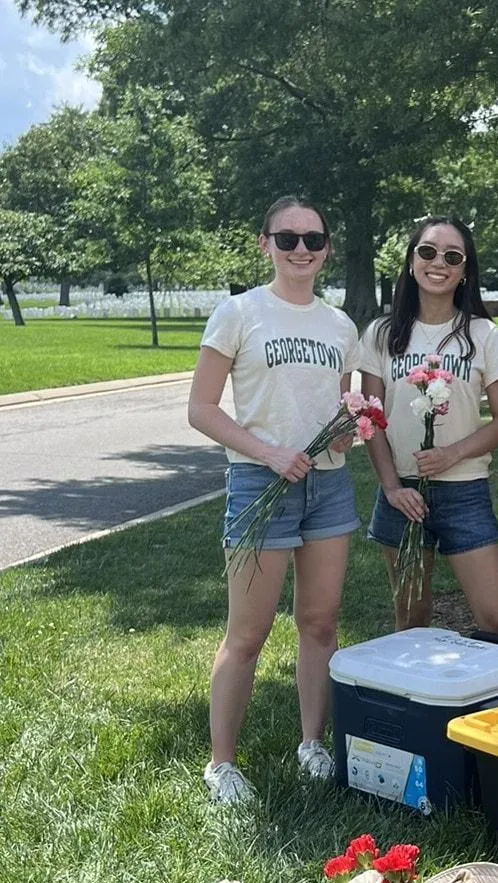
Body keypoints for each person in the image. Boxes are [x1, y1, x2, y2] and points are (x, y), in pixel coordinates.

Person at [188, 195, 361, 804]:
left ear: (327, 248)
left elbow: (341, 409)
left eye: (313, 239)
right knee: (248, 633)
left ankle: (312, 742)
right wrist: (268, 453)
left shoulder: (340, 326)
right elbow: (202, 409)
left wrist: (346, 432)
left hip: (328, 485)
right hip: (260, 483)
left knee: (319, 623)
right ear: (265, 245)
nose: (301, 249)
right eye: (287, 239)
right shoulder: (239, 313)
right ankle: (222, 764)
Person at [360, 216, 498, 637]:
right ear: (412, 261)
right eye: (428, 251)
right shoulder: (381, 334)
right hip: (402, 495)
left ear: (465, 271)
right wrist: (391, 487)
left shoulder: (482, 334)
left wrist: (452, 454)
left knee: (497, 621)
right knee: (410, 620)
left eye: (452, 256)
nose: (438, 263)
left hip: (464, 491)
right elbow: (371, 420)